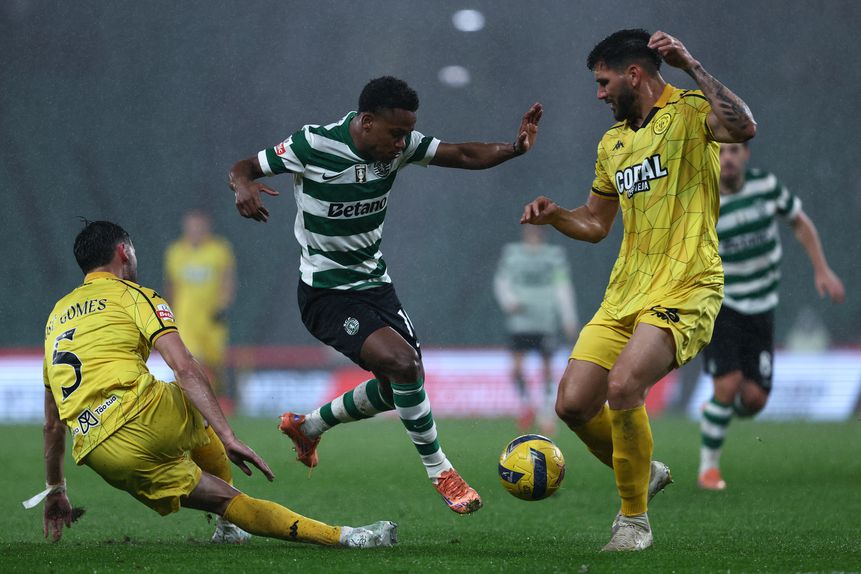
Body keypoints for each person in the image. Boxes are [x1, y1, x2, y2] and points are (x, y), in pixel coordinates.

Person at [228, 76, 542, 514]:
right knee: (404, 365)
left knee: (401, 388)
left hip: (376, 285)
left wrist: (515, 149)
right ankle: (441, 472)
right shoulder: (313, 145)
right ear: (367, 122)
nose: (401, 144)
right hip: (326, 292)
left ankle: (308, 426)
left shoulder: (400, 144)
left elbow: (463, 153)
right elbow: (243, 166)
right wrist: (242, 186)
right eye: (395, 134)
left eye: (406, 135)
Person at [520, 29, 756, 551]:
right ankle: (643, 470)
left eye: (604, 82)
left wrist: (692, 64)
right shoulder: (613, 143)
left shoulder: (693, 111)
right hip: (627, 290)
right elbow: (597, 223)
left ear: (634, 75)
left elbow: (745, 125)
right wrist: (557, 214)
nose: (599, 94)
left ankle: (633, 523)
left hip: (688, 283)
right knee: (573, 404)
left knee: (624, 387)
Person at [38, 220, 396, 548]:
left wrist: (56, 489)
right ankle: (327, 535)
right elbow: (185, 369)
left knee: (228, 501)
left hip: (102, 452)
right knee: (195, 396)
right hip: (144, 414)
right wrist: (228, 437)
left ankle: (342, 537)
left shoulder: (55, 316)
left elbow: (53, 424)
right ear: (123, 253)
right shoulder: (134, 295)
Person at [697, 142, 845, 490]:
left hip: (762, 308)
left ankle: (716, 411)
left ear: (745, 154)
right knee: (728, 385)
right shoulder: (704, 202)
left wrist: (821, 269)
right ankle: (709, 470)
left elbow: (800, 223)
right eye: (721, 152)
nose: (728, 158)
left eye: (734, 151)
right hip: (723, 305)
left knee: (754, 400)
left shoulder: (765, 186)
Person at [493, 224, 579, 434]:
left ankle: (546, 414)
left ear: (541, 234)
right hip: (520, 321)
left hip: (545, 320)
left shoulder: (553, 257)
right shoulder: (513, 254)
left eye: (535, 232)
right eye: (529, 231)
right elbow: (502, 281)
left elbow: (562, 286)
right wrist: (509, 301)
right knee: (516, 369)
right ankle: (526, 405)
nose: (532, 235)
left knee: (547, 368)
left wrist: (568, 317)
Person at [164, 210, 236, 414]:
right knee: (193, 359)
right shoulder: (175, 251)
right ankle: (195, 404)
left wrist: (224, 303)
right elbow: (171, 284)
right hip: (186, 317)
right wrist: (169, 311)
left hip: (212, 318)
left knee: (215, 363)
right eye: (191, 226)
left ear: (207, 227)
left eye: (199, 226)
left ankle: (222, 400)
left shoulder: (219, 250)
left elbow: (227, 279)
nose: (195, 230)